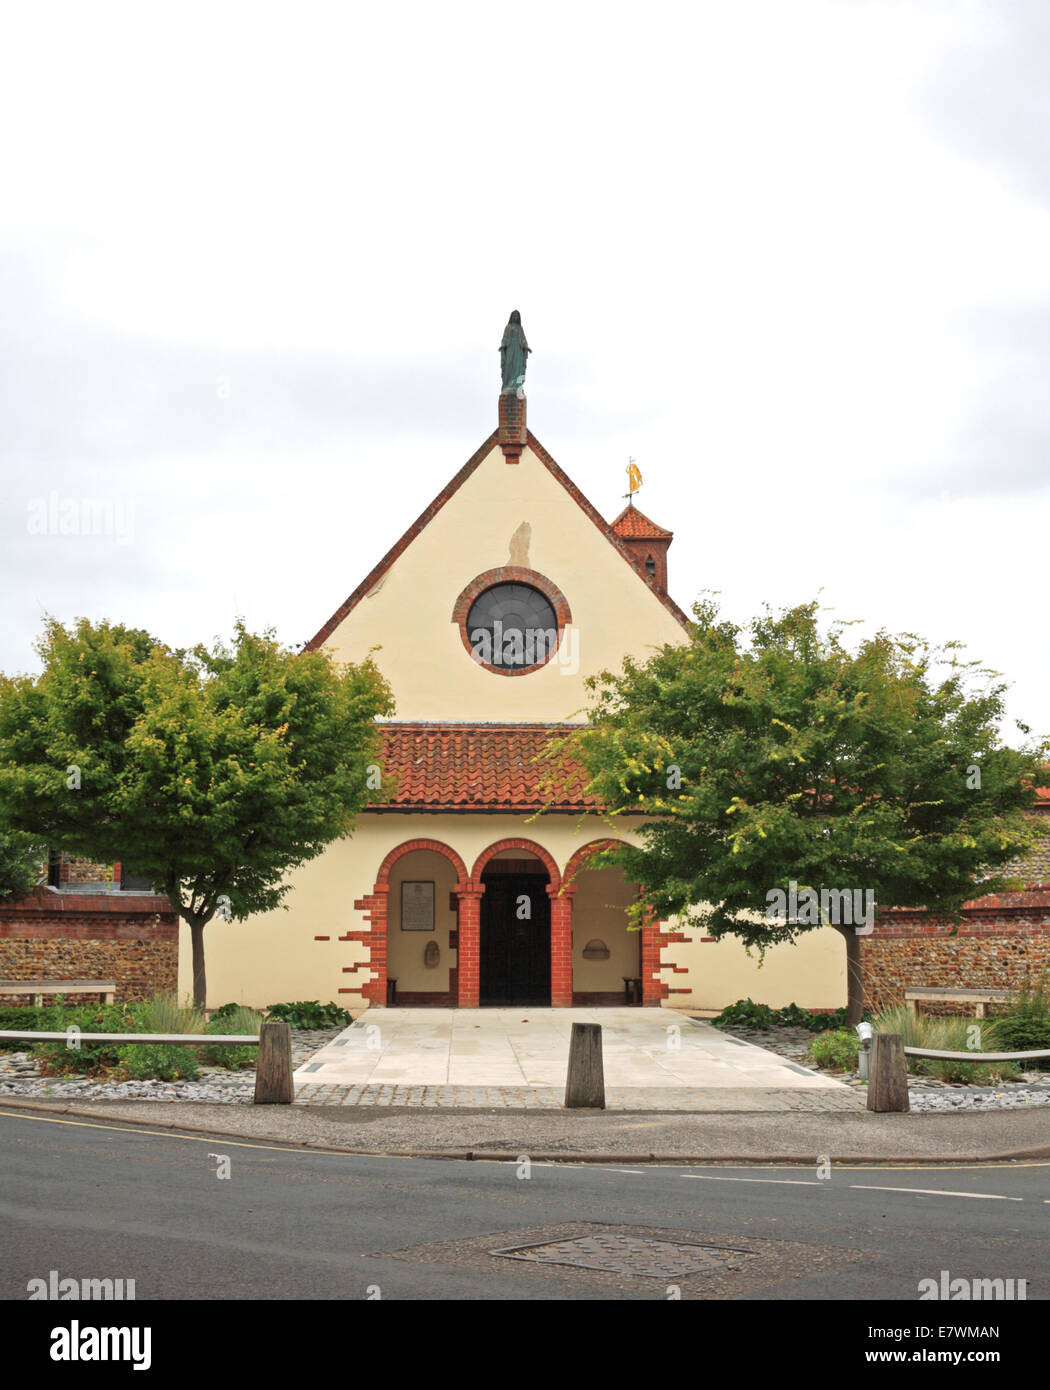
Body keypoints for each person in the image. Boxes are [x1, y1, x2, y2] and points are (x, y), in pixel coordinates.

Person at [499, 310, 530, 395]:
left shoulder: (520, 328)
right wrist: (503, 345)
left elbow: (523, 339)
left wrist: (526, 346)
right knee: (509, 366)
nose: (515, 317)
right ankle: (508, 385)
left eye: (517, 316)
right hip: (510, 349)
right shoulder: (508, 327)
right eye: (514, 316)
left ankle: (516, 385)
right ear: (511, 317)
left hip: (518, 350)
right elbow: (504, 338)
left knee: (517, 367)